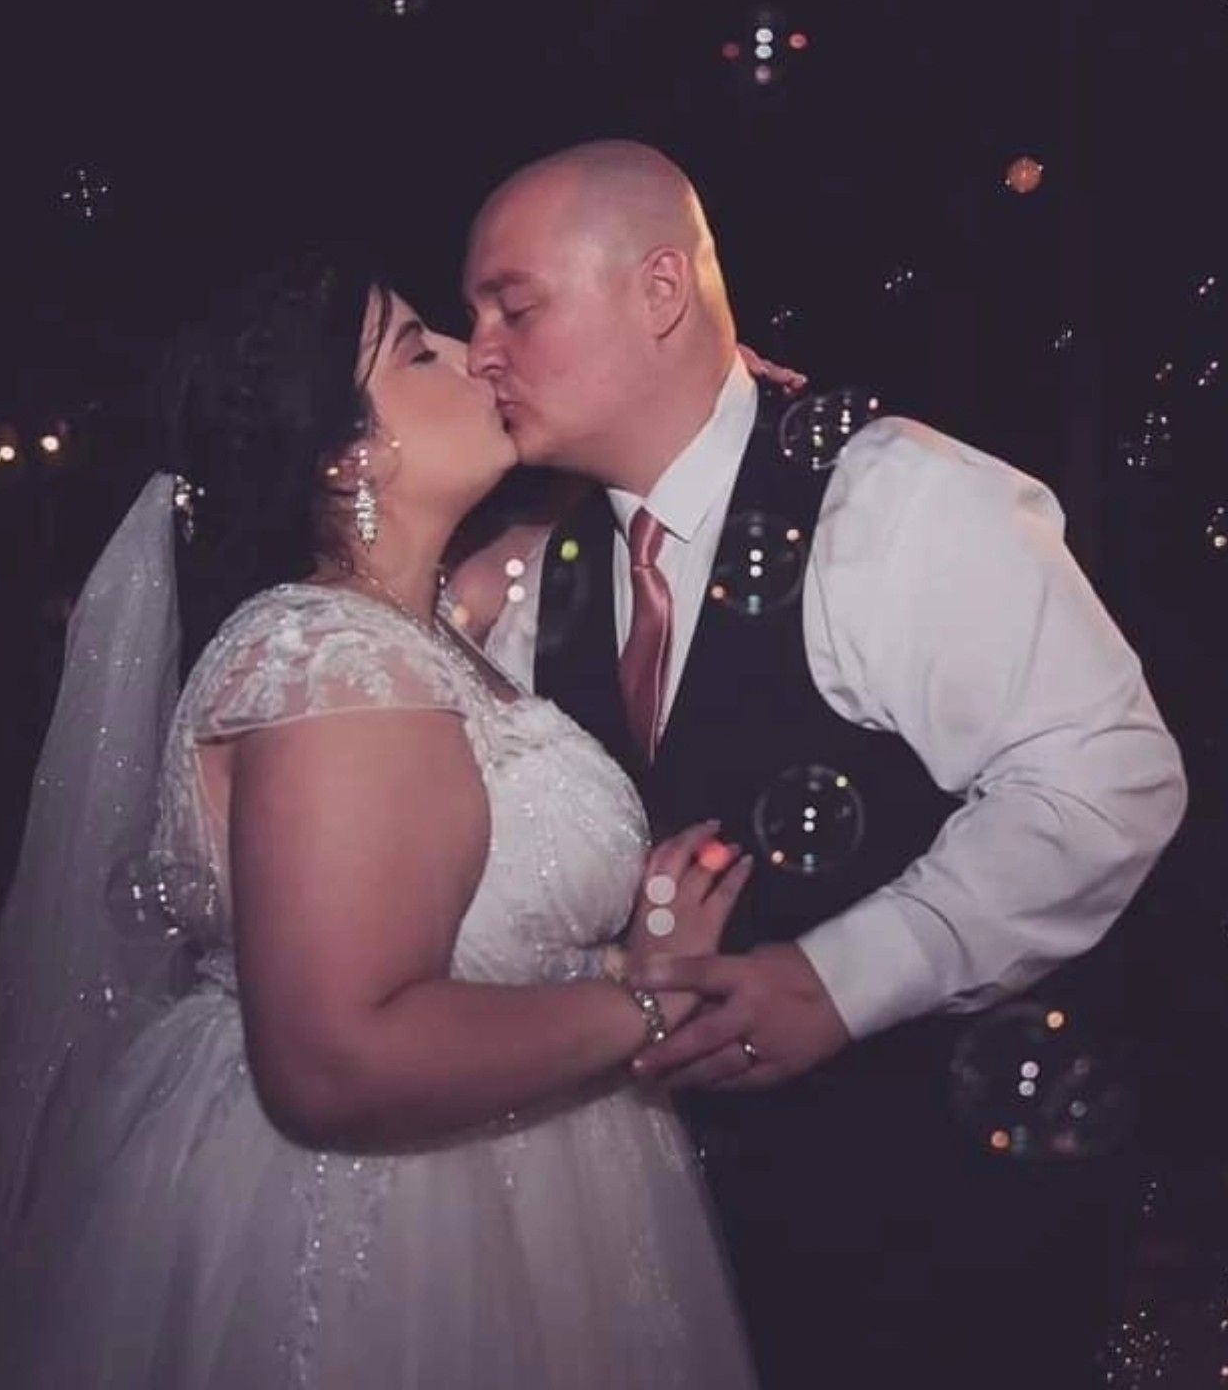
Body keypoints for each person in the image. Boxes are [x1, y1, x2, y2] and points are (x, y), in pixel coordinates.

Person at [0, 252, 762, 1388]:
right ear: (345, 449)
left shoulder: (417, 633)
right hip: (382, 1228)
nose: (478, 356)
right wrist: (646, 1003)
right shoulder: (324, 661)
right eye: (421, 349)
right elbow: (337, 1060)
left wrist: (696, 407)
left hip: (534, 1179)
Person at [458, 140, 1189, 1390]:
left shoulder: (892, 499)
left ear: (659, 292)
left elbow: (1106, 776)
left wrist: (841, 977)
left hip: (932, 1250)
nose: (479, 351)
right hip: (675, 1250)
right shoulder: (548, 580)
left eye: (511, 307)